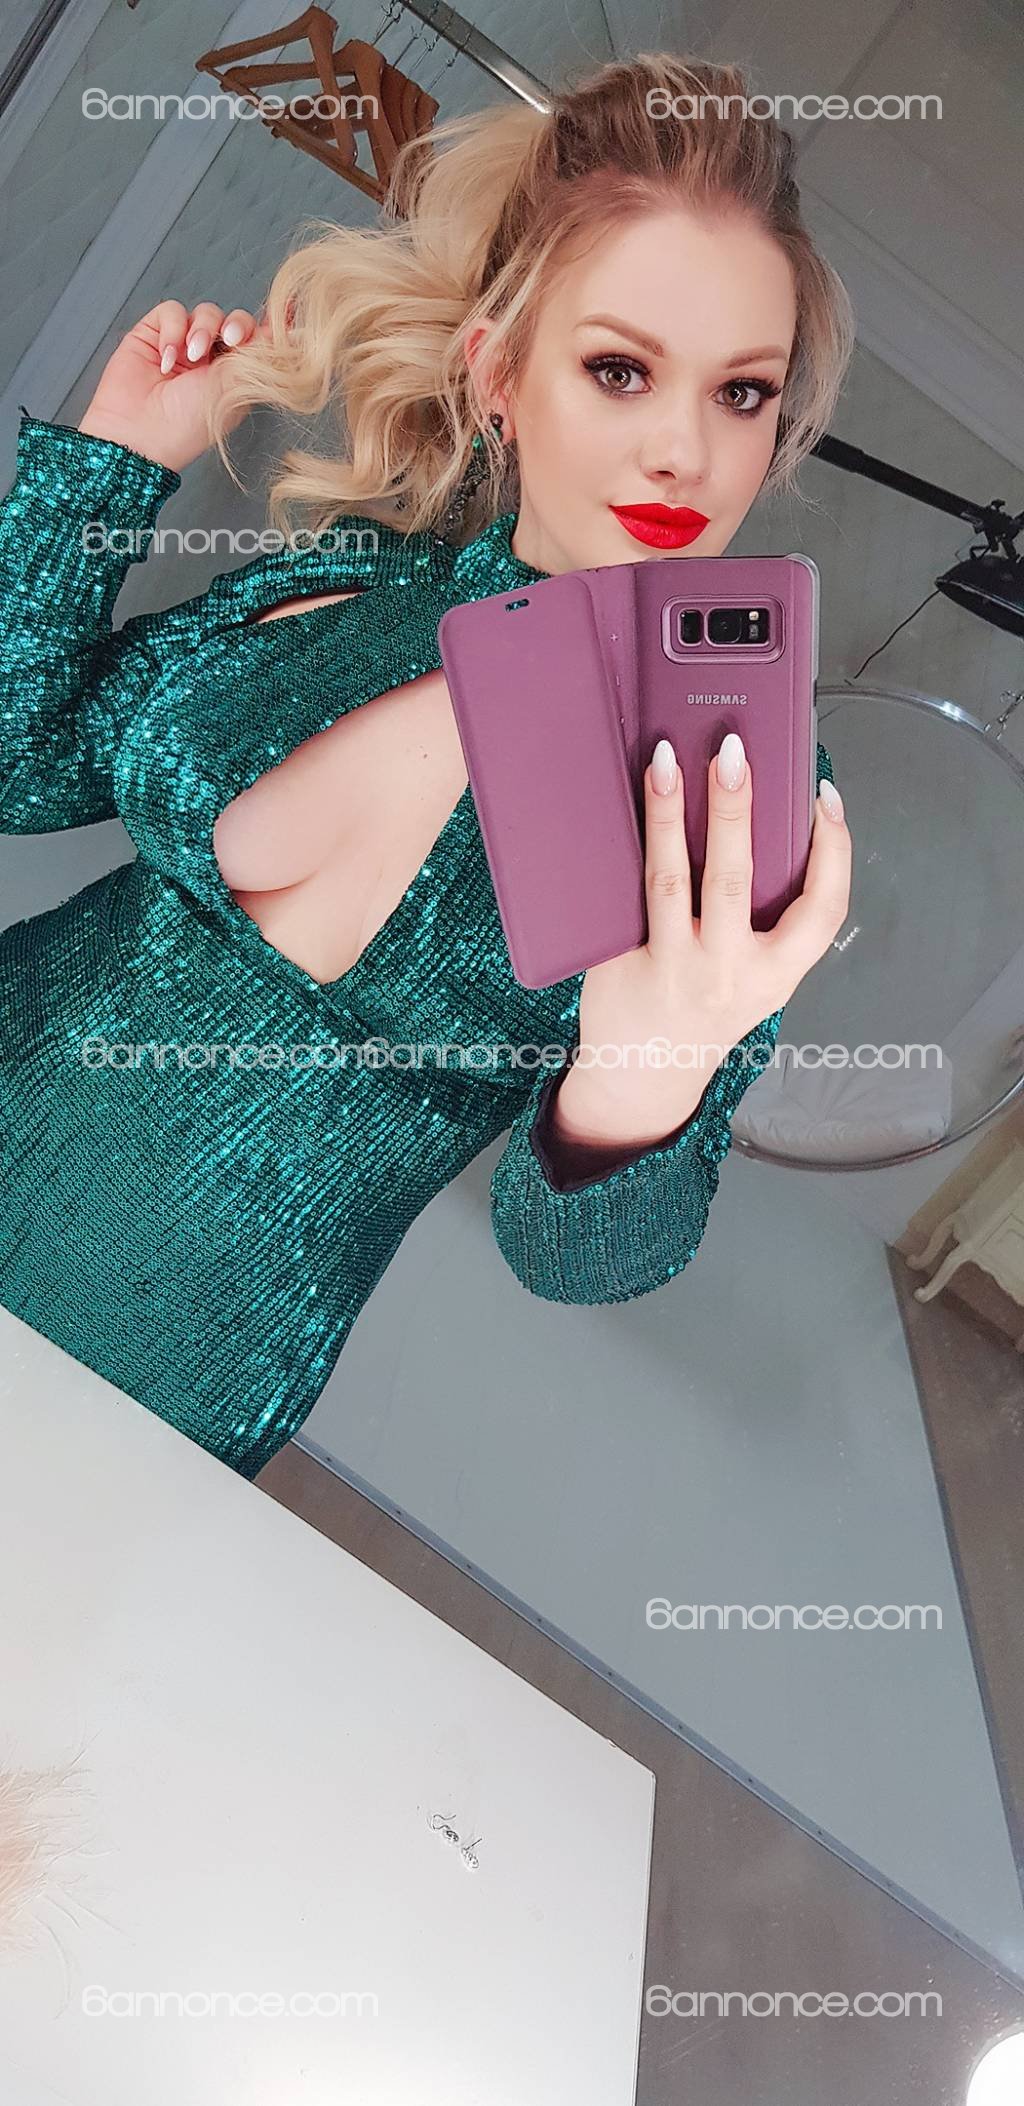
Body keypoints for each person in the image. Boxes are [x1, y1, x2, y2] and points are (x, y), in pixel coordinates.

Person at [0, 54, 853, 1481]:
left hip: (142, 1406)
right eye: (621, 369)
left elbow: (580, 1256)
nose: (684, 449)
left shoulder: (731, 797)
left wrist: (643, 1074)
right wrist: (105, 472)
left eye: (743, 392)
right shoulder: (343, 583)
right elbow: (20, 768)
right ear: (499, 374)